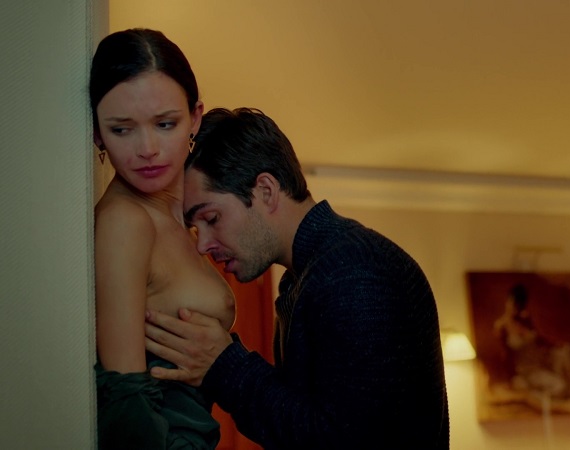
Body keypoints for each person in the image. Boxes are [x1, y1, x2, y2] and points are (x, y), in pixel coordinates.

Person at [144, 107, 450, 449]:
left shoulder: (355, 271)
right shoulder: (313, 274)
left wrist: (225, 365)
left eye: (212, 218)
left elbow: (344, 442)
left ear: (266, 190)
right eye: (194, 228)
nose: (202, 245)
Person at [91, 28, 235, 449]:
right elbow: (126, 399)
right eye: (122, 130)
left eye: (165, 124)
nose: (148, 148)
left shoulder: (185, 214)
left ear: (195, 117)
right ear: (97, 133)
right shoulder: (124, 221)